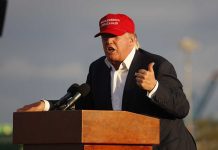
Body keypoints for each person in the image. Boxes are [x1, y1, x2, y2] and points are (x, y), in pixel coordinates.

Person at [17, 13, 197, 150]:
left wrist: (155, 88)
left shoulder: (157, 65)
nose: (109, 41)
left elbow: (182, 108)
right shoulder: (97, 69)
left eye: (115, 36)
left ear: (132, 39)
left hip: (166, 146)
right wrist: (47, 105)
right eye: (104, 37)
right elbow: (85, 108)